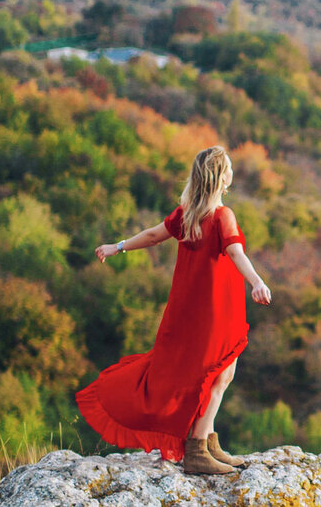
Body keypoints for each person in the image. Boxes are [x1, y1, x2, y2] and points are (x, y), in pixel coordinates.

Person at [76, 145, 273, 474]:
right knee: (220, 373)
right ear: (221, 179)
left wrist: (118, 247)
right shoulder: (222, 216)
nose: (232, 174)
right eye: (228, 169)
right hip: (214, 310)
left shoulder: (187, 214)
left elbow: (153, 236)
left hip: (189, 310)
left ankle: (208, 441)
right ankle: (197, 450)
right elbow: (236, 252)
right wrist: (257, 281)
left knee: (212, 374)